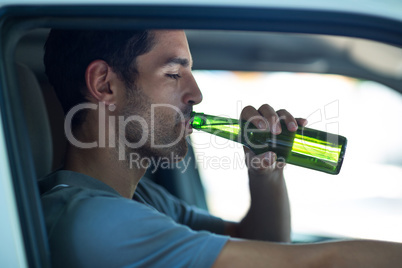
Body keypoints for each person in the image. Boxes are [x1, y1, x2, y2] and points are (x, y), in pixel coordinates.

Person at [41, 29, 402, 267]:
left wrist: (265, 172)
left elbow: (265, 245)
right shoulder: (93, 221)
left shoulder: (142, 198)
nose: (197, 94)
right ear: (104, 85)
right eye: (173, 73)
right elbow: (317, 262)